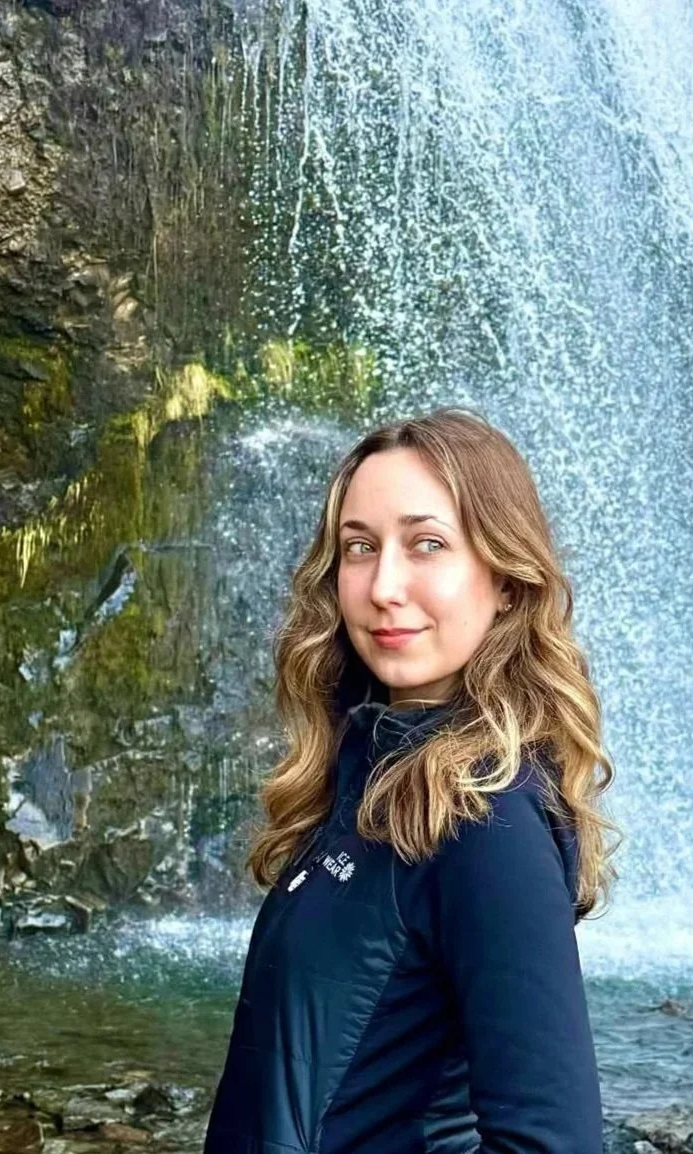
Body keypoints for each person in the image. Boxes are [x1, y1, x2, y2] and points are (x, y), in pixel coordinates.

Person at [203, 407, 617, 1154]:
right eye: (359, 547)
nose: (383, 585)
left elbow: (554, 1142)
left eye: (427, 544)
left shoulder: (486, 824)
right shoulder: (367, 773)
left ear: (507, 581)